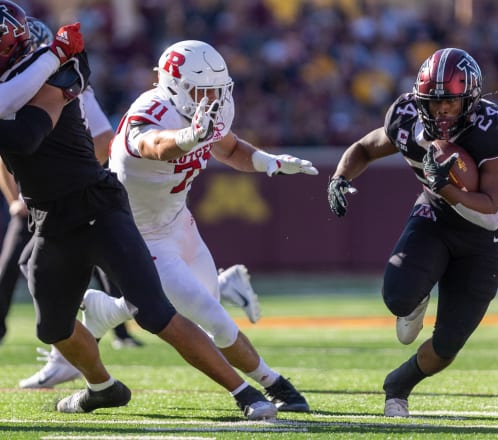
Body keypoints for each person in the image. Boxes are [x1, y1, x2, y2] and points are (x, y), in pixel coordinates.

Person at [0, 2, 278, 420]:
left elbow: (25, 137)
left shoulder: (55, 74)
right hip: (49, 218)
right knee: (52, 327)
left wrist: (54, 56)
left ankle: (246, 393)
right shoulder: (23, 78)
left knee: (155, 312)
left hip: (95, 204)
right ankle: (102, 387)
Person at [76, 39, 315, 413]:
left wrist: (268, 161)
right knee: (216, 322)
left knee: (206, 311)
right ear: (173, 85)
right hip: (141, 237)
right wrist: (190, 137)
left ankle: (110, 310)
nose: (211, 99)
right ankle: (274, 384)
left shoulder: (207, 109)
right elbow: (155, 145)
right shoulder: (150, 110)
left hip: (179, 224)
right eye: (201, 90)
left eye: (217, 90)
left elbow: (230, 148)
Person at [327, 48, 498, 417]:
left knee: (448, 344)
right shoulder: (404, 117)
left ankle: (399, 384)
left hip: (482, 236)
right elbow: (365, 148)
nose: (442, 111)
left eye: (451, 103)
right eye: (435, 103)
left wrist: (448, 186)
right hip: (435, 216)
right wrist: (340, 177)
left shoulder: (492, 129)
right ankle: (415, 298)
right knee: (397, 297)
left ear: (471, 99)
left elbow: (492, 207)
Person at [0, 17, 143, 353]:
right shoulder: (29, 76)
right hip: (35, 197)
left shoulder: (57, 79)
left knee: (110, 268)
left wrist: (70, 176)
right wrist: (14, 198)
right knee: (21, 267)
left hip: (70, 193)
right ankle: (68, 343)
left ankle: (112, 328)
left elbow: (104, 138)